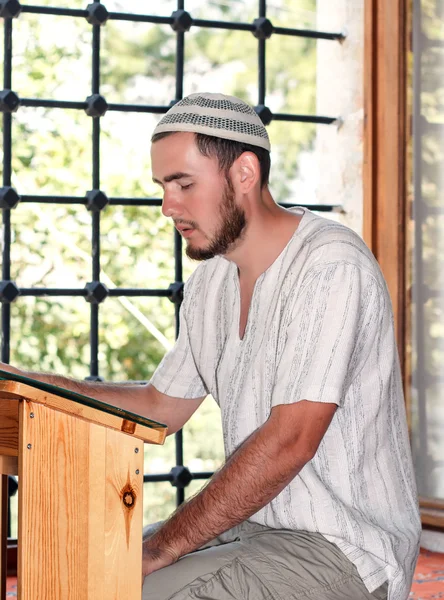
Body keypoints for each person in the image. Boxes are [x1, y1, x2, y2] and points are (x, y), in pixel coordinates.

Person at [1, 92, 420, 600]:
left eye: (183, 184)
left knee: (120, 590)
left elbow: (290, 441)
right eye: (162, 187)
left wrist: (160, 549)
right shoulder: (211, 281)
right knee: (81, 570)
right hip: (252, 526)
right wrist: (21, 382)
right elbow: (160, 405)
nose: (166, 207)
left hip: (343, 549)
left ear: (245, 173)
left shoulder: (331, 266)